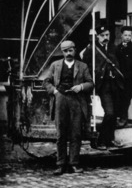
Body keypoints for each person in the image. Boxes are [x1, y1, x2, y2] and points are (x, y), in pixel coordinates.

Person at [44, 41, 93, 175]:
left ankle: (74, 164)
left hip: (76, 101)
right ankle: (60, 164)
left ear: (75, 50)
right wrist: (54, 91)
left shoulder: (82, 66)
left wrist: (81, 87)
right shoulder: (55, 65)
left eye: (70, 50)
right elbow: (46, 81)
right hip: (60, 99)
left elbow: (90, 83)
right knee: (61, 134)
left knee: (76, 134)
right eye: (65, 51)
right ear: (62, 52)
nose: (68, 53)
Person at [81, 24, 124, 150]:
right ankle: (100, 140)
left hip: (115, 84)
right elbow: (85, 67)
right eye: (102, 35)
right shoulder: (92, 49)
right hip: (103, 85)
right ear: (97, 36)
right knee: (109, 113)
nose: (105, 37)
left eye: (107, 35)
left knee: (114, 113)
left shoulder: (113, 48)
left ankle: (109, 139)